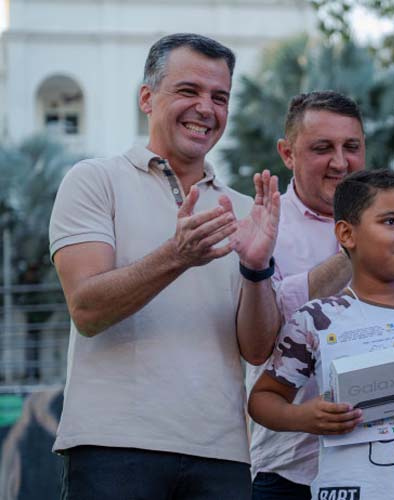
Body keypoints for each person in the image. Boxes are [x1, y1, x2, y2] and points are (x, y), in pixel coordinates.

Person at [49, 33, 281, 499]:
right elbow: (87, 310)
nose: (206, 108)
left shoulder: (240, 209)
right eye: (189, 91)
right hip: (112, 446)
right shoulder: (94, 181)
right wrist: (176, 256)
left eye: (220, 97)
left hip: (224, 454)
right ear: (146, 98)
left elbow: (256, 351)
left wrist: (257, 270)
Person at [247, 91, 394, 499]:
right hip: (293, 472)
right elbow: (264, 341)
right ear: (287, 154)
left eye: (352, 147)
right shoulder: (266, 227)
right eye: (323, 148)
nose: (341, 162)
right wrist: (360, 244)